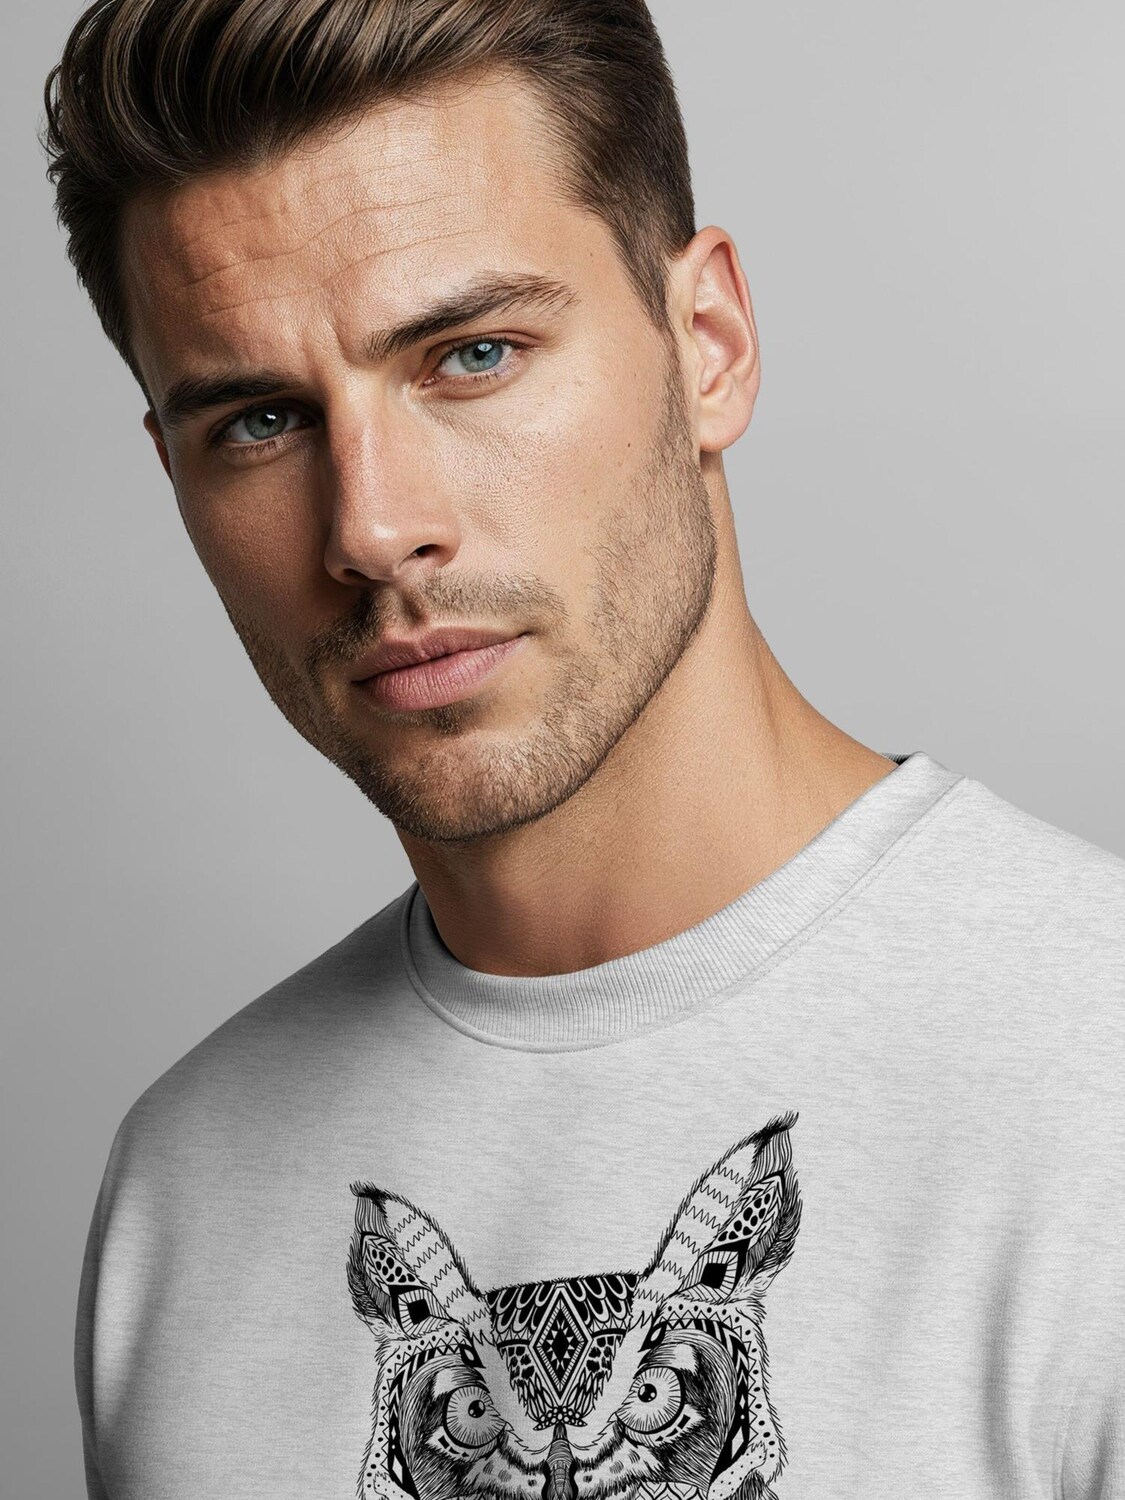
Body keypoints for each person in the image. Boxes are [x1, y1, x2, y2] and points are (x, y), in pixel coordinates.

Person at [41, 1, 1123, 1496]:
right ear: (174, 473)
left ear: (708, 347)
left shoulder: (1092, 1078)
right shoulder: (191, 1192)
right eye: (261, 422)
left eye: (472, 354)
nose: (371, 527)